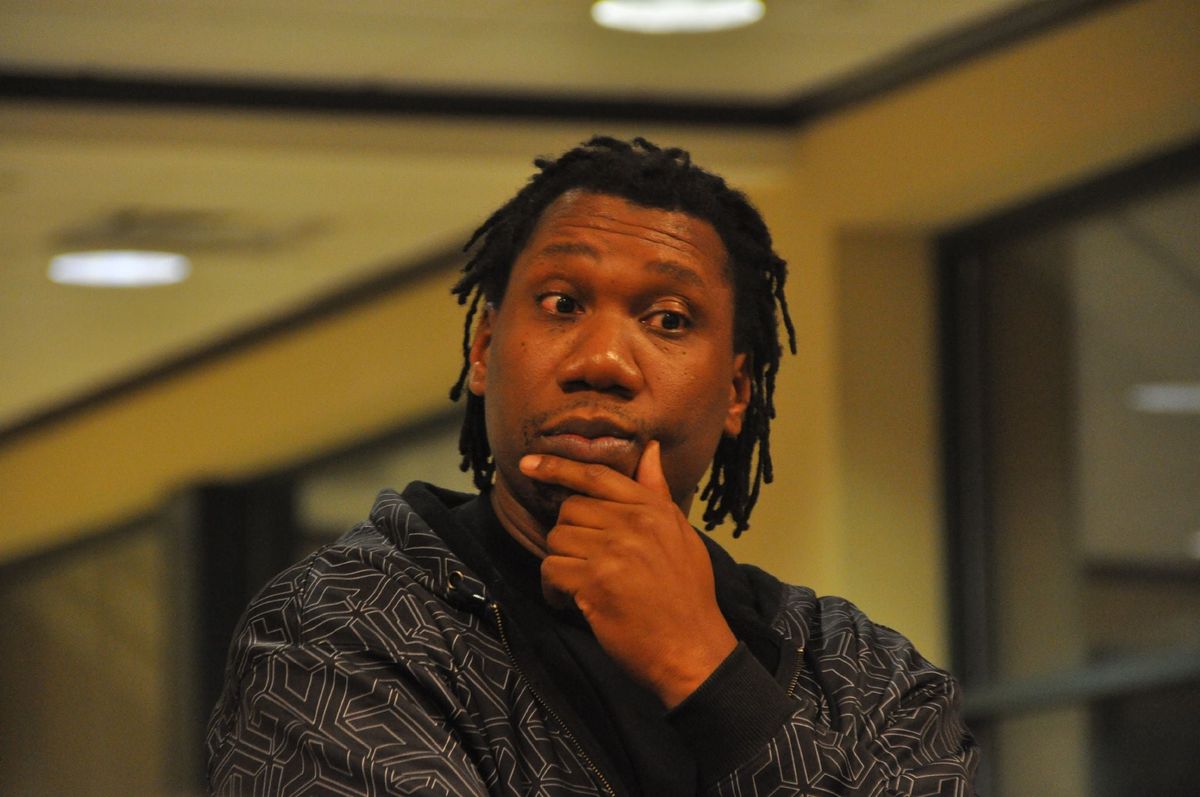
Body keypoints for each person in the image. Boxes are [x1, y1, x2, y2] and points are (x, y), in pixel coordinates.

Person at [206, 136, 977, 796]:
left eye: (668, 319)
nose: (603, 360)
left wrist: (704, 668)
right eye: (561, 304)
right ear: (483, 349)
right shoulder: (339, 630)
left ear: (737, 390)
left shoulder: (869, 679)